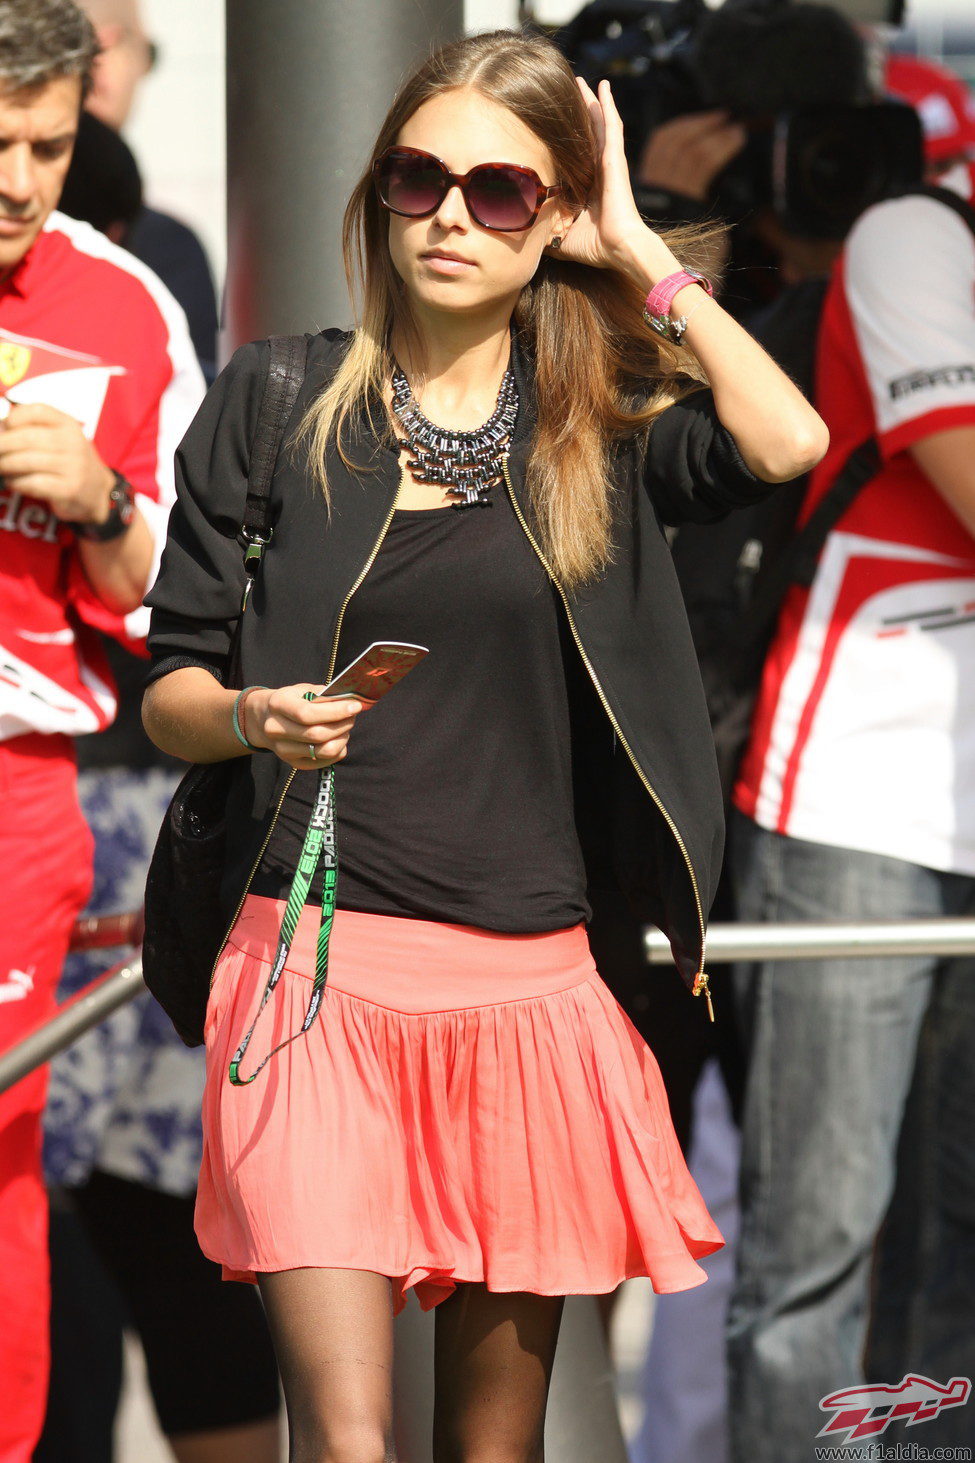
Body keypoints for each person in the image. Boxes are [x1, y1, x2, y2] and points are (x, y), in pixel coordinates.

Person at [142, 30, 826, 1461]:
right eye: (419, 177)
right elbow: (173, 688)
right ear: (380, 196)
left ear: (554, 218)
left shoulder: (601, 436)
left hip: (529, 993)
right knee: (343, 1438)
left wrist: (640, 248)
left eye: (502, 191)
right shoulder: (273, 403)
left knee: (495, 1452)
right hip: (309, 977)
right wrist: (254, 717)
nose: (451, 216)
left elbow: (784, 439)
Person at [726, 49, 975, 1463]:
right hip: (856, 807)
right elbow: (958, 457)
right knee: (818, 1249)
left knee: (963, 1236)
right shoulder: (914, 232)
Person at [35, 110, 282, 1463]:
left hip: (130, 826)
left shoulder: (141, 309)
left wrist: (100, 504)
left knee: (150, 1237)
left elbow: (191, 598)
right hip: (117, 819)